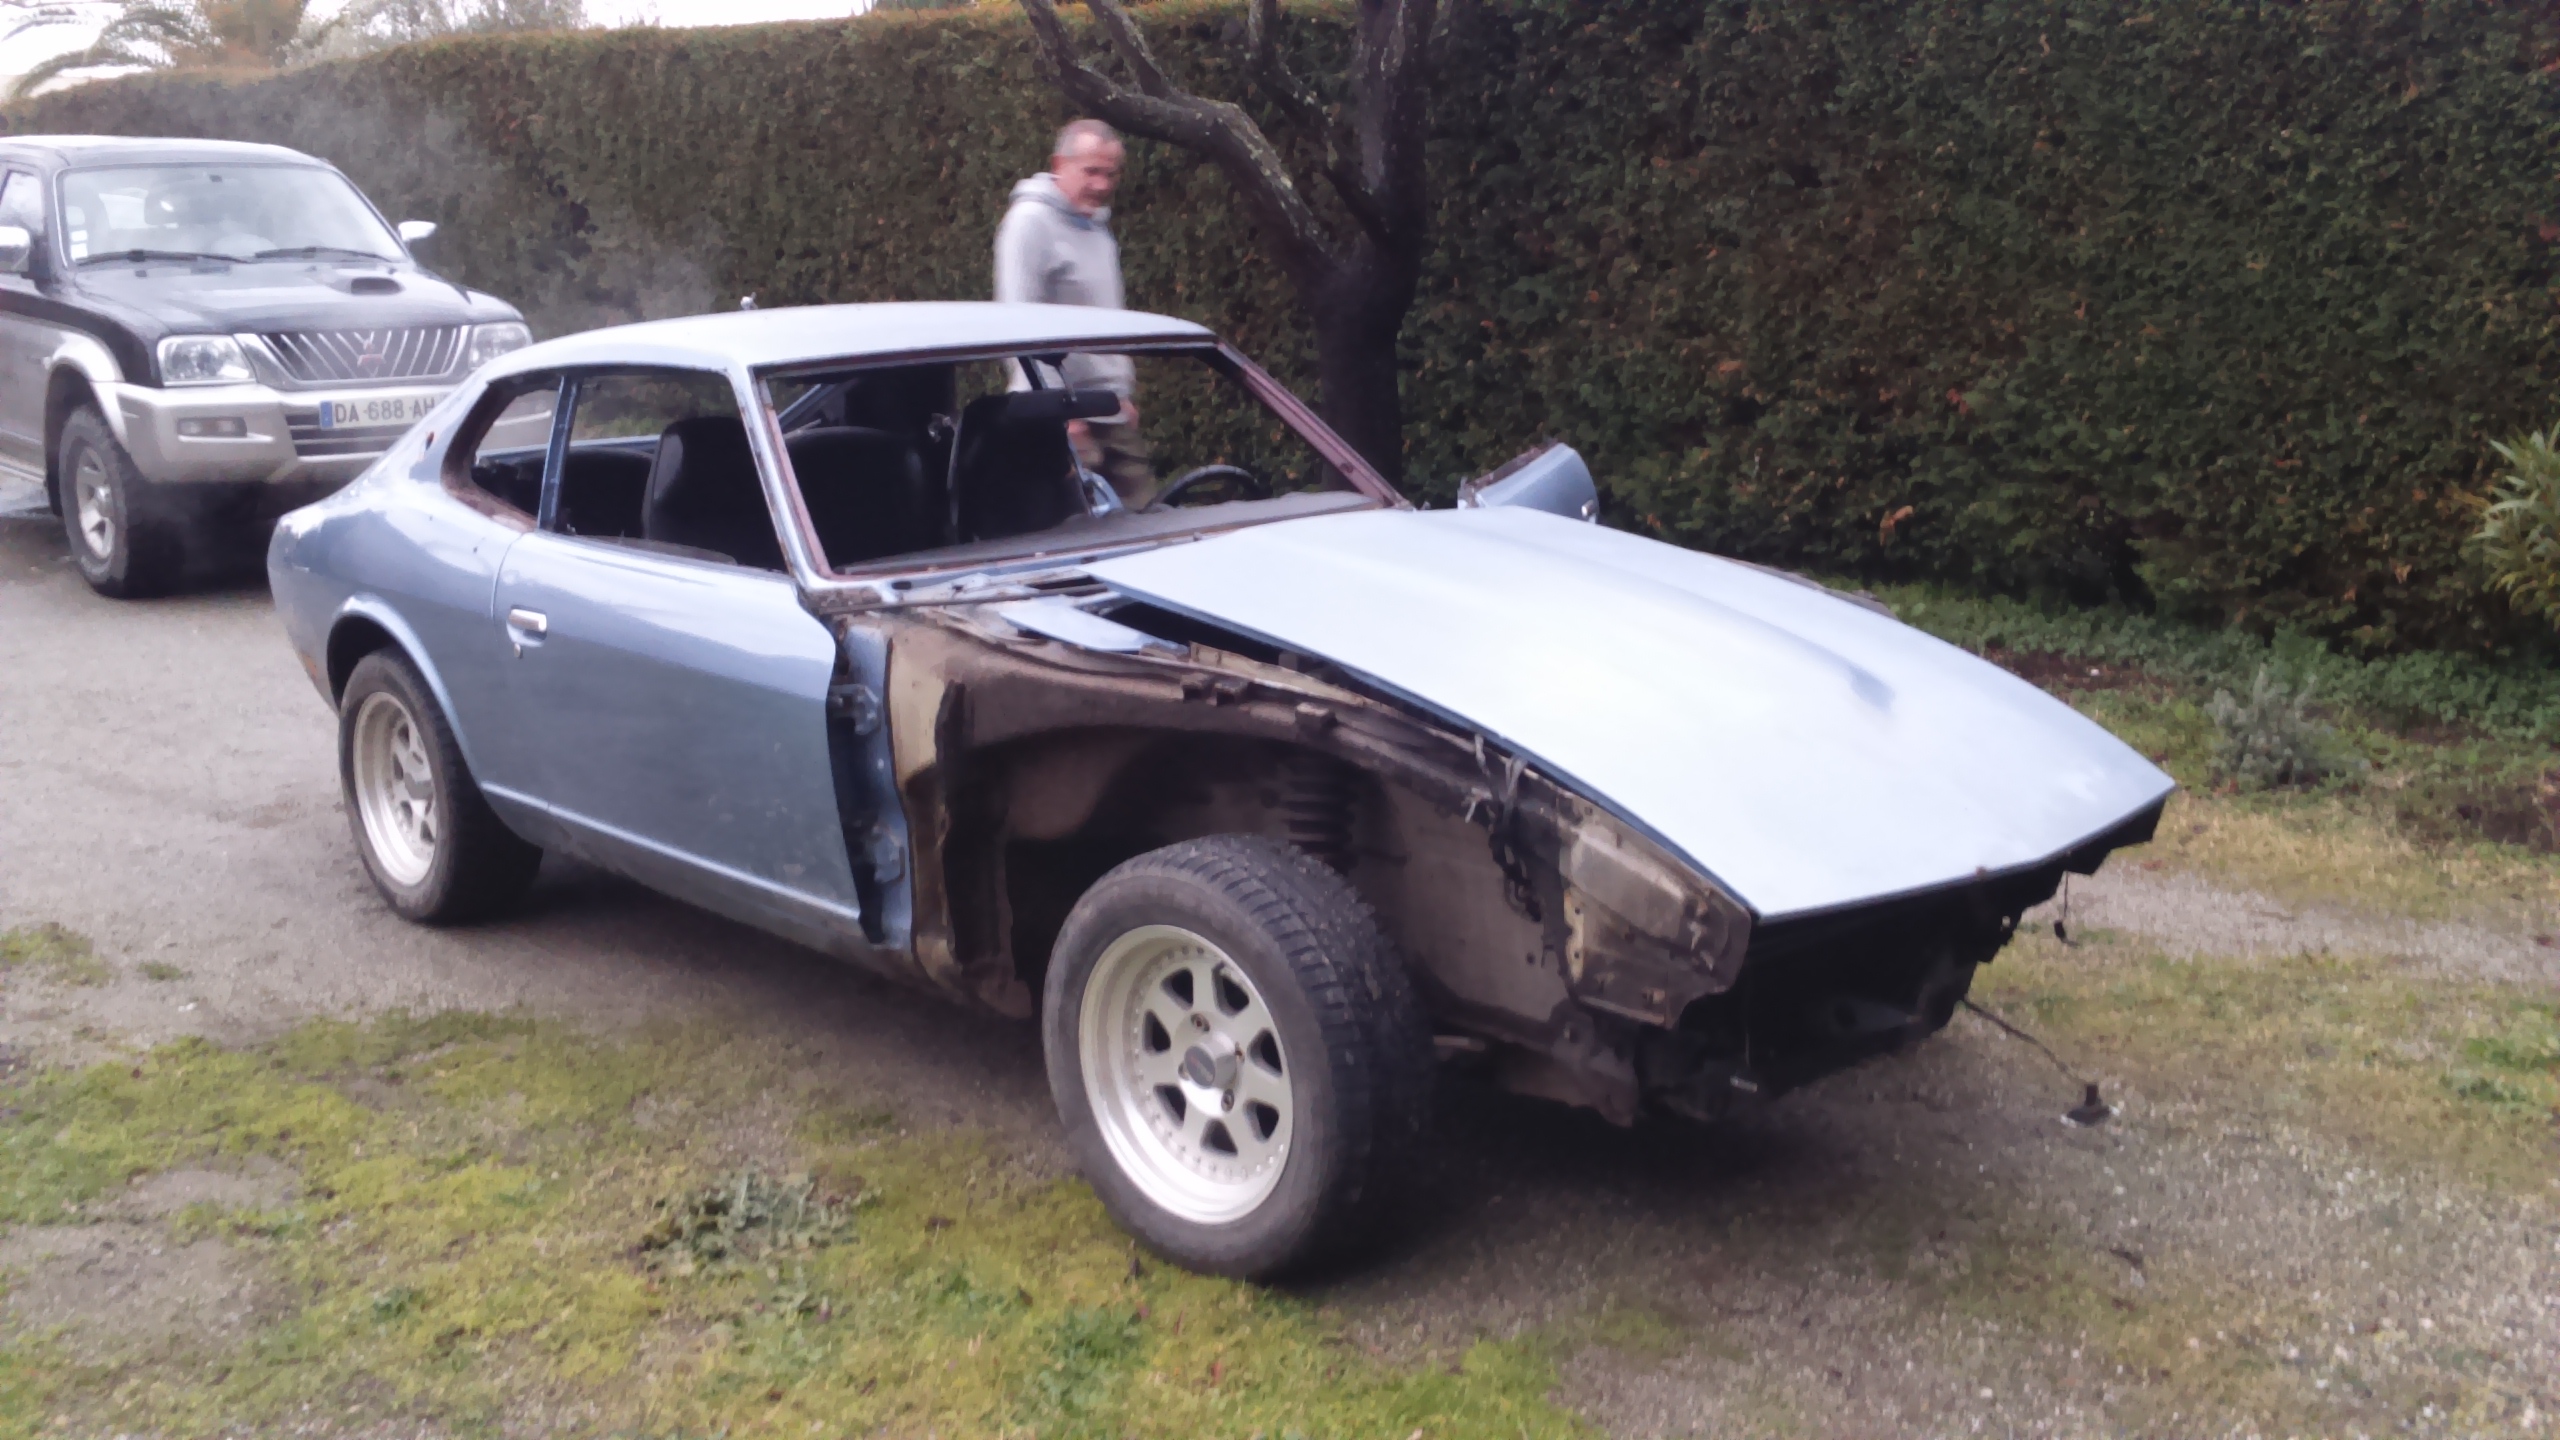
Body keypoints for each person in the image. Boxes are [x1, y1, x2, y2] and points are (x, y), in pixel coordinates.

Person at [994, 118, 1155, 508]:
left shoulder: (1098, 227)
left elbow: (1107, 320)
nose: (1102, 185)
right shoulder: (1030, 223)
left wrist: (1121, 394)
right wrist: (1062, 416)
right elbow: (1018, 326)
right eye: (1091, 171)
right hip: (1058, 423)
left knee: (1150, 520)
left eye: (1111, 174)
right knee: (1081, 530)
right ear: (1059, 164)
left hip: (1109, 413)